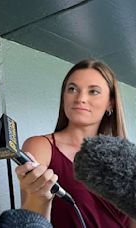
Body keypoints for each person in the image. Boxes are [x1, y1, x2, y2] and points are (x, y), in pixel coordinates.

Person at [15, 59, 136, 227]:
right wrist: (38, 198)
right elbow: (32, 220)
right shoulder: (41, 147)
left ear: (111, 103)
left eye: (93, 91)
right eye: (72, 89)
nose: (80, 98)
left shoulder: (128, 157)